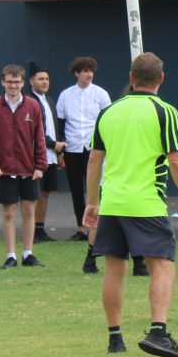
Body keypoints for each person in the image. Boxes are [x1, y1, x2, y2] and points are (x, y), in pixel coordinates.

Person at [82, 51, 178, 357]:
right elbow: (177, 159)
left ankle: (114, 337)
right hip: (146, 202)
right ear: (161, 78)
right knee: (162, 265)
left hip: (112, 202)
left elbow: (95, 159)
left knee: (113, 268)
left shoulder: (108, 112)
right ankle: (158, 332)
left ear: (131, 78)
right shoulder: (165, 112)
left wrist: (92, 202)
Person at [0, 63, 48, 270]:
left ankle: (28, 253)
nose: (13, 85)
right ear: (3, 82)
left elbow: (39, 137)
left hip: (28, 167)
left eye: (17, 82)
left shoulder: (32, 105)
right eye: (9, 82)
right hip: (4, 168)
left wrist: (40, 165)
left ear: (23, 83)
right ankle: (11, 255)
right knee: (9, 212)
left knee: (29, 210)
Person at [55, 56, 112, 249]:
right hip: (72, 147)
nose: (89, 74)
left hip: (93, 148)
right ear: (77, 73)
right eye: (85, 71)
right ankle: (81, 227)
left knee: (97, 187)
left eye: (91, 71)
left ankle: (99, 227)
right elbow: (61, 123)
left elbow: (107, 121)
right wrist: (61, 150)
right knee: (76, 189)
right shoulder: (65, 95)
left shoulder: (101, 94)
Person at [26, 64, 62, 242]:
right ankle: (31, 230)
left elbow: (53, 127)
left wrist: (59, 153)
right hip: (37, 154)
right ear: (31, 81)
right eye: (41, 79)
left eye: (47, 79)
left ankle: (40, 228)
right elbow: (35, 130)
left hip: (52, 154)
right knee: (35, 193)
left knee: (46, 192)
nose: (45, 82)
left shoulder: (50, 100)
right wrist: (53, 144)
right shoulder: (29, 101)